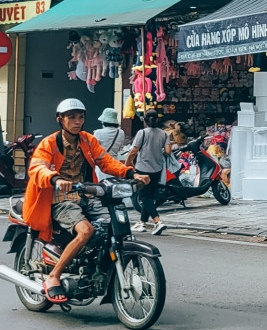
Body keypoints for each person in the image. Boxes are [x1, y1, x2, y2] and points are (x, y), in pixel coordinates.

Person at [23, 99, 149, 304]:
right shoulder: (49, 143)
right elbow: (37, 168)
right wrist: (56, 179)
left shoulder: (88, 140)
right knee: (86, 230)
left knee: (112, 227)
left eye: (80, 117)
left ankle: (93, 266)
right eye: (71, 117)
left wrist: (131, 173)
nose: (77, 122)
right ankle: (54, 276)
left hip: (86, 195)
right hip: (59, 198)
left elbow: (106, 162)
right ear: (60, 120)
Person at [125, 109, 172, 235]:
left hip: (142, 169)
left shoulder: (142, 133)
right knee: (149, 196)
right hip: (157, 168)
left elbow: (133, 151)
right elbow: (168, 151)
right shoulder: (164, 134)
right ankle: (142, 222)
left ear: (145, 120)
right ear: (157, 119)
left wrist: (127, 163)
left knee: (144, 196)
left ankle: (158, 222)